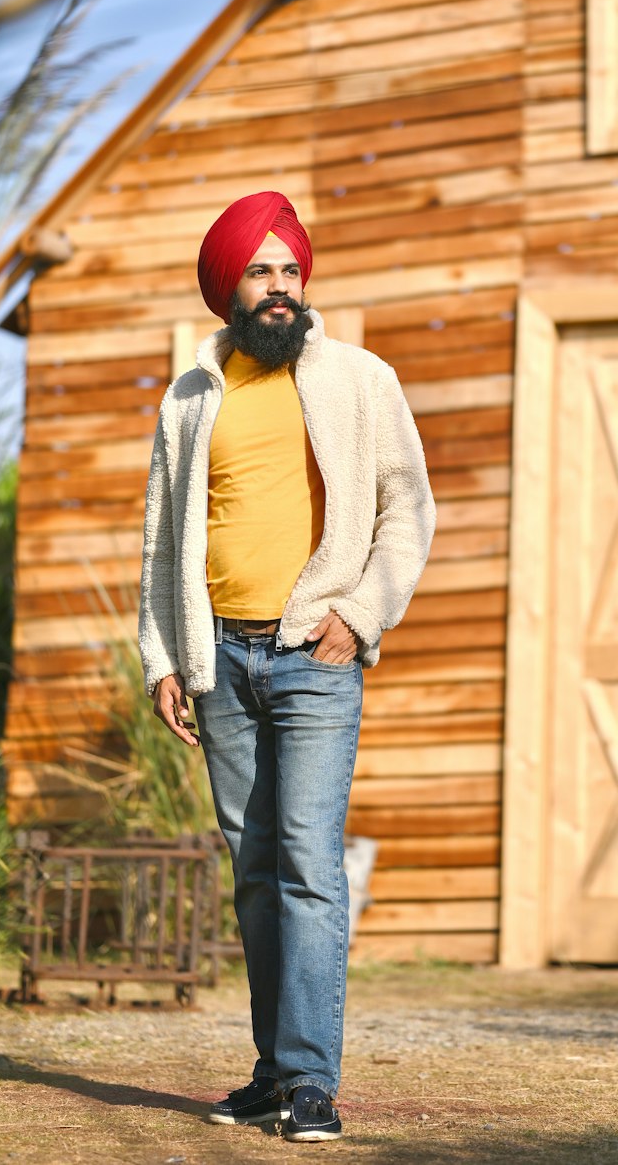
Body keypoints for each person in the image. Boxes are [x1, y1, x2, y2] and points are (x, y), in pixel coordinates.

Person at [138, 190, 435, 1142]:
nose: (278, 288)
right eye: (260, 272)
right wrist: (164, 661)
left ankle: (312, 1082)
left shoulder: (358, 378)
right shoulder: (190, 398)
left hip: (315, 653)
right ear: (229, 288)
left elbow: (407, 511)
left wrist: (361, 612)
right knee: (256, 868)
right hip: (217, 657)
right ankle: (271, 1072)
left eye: (290, 271)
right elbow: (159, 544)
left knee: (309, 861)